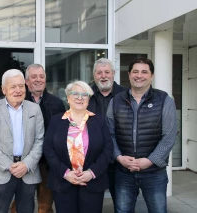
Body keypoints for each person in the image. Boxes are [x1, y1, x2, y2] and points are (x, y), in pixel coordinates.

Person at [106, 58, 177, 213]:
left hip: (154, 173)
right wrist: (118, 157)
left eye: (144, 72)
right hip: (124, 172)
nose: (139, 75)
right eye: (135, 71)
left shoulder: (164, 99)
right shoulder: (116, 101)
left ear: (152, 76)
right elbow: (109, 134)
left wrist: (150, 161)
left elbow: (169, 136)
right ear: (129, 75)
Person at [43, 80, 113, 213]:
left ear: (89, 99)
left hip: (92, 182)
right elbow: (48, 149)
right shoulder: (56, 120)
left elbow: (108, 149)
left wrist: (91, 173)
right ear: (68, 97)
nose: (79, 98)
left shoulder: (99, 120)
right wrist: (66, 173)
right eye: (75, 94)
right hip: (63, 183)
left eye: (84, 94)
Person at [0, 69, 44, 213]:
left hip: (28, 172)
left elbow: (40, 140)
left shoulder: (34, 109)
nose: (18, 90)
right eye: (13, 87)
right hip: (0, 172)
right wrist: (9, 165)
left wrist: (26, 164)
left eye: (21, 86)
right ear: (4, 89)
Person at [10, 64, 66, 213]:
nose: (38, 80)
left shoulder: (57, 103)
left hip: (47, 163)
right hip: (24, 161)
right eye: (34, 77)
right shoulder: (17, 101)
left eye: (41, 77)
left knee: (45, 205)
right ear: (26, 81)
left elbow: (62, 133)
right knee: (19, 204)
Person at [87, 58, 127, 209]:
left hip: (119, 160)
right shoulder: (85, 95)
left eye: (107, 72)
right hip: (93, 159)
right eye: (99, 73)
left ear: (113, 74)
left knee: (122, 205)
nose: (103, 76)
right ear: (94, 75)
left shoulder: (126, 95)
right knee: (92, 204)